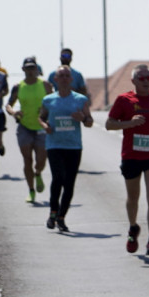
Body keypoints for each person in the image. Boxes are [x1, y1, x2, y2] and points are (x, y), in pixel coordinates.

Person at [105, 64, 149, 256]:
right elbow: (109, 124)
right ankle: (133, 227)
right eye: (141, 78)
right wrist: (130, 123)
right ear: (133, 81)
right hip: (132, 155)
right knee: (133, 198)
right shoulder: (124, 100)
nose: (146, 81)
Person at [39, 65, 93, 233]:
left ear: (71, 79)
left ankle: (62, 217)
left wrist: (82, 118)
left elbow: (90, 122)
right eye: (60, 76)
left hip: (73, 146)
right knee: (58, 178)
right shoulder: (48, 100)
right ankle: (53, 212)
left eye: (66, 76)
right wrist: (45, 126)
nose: (63, 78)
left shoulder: (79, 99)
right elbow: (41, 117)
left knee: (69, 183)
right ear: (55, 80)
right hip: (54, 144)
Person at [5, 56, 53, 203]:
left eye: (33, 68)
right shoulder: (18, 86)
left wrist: (49, 116)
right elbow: (8, 105)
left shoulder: (45, 84)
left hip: (41, 126)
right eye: (28, 68)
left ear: (37, 69)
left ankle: (38, 173)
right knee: (27, 160)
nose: (31, 71)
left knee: (41, 160)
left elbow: (54, 101)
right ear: (23, 69)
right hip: (24, 126)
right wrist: (14, 113)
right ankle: (31, 191)